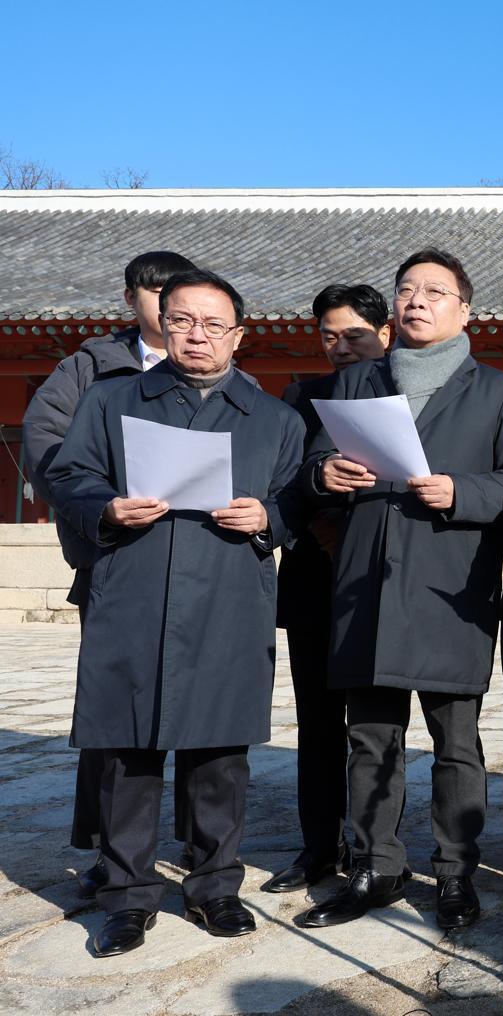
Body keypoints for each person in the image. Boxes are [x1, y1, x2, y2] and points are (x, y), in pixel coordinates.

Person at [46, 268, 305, 956]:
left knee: (220, 753)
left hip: (228, 596)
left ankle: (215, 886)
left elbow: (300, 501)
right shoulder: (110, 401)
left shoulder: (274, 418)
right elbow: (68, 475)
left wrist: (269, 516)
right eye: (183, 320)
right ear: (161, 323)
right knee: (129, 750)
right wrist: (106, 506)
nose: (197, 335)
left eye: (214, 324)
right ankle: (127, 897)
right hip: (135, 591)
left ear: (239, 337)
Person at [295, 248, 503, 931]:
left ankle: (457, 871)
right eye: (407, 290)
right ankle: (377, 866)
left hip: (450, 578)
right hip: (368, 573)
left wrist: (464, 490)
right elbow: (312, 461)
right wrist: (325, 475)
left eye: (434, 291)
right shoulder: (358, 380)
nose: (417, 300)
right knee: (370, 735)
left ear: (465, 310)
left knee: (455, 738)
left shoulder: (499, 390)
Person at [22, 250, 198, 897]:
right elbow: (44, 442)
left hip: (198, 567)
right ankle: (109, 851)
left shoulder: (210, 366)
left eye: (176, 295)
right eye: (152, 295)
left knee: (201, 712)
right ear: (130, 300)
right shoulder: (91, 368)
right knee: (115, 717)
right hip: (119, 561)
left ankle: (203, 853)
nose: (166, 308)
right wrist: (99, 514)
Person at [261, 283, 392, 893]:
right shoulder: (302, 398)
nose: (340, 348)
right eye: (329, 336)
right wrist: (326, 528)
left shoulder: (405, 394)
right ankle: (318, 848)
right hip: (318, 581)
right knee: (317, 725)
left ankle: (375, 849)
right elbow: (288, 483)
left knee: (377, 729)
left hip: (385, 586)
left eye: (354, 335)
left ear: (385, 334)